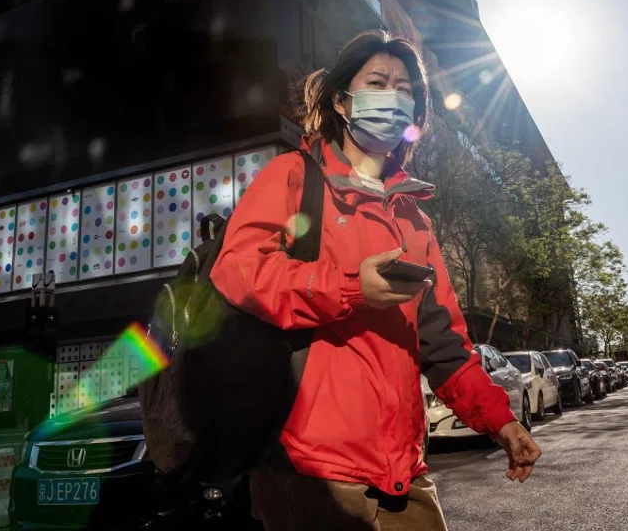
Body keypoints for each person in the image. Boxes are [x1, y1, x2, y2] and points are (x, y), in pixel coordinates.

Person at [211, 30, 541, 529]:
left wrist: (501, 420)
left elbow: (445, 345)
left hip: (404, 471)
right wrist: (348, 288)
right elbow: (238, 270)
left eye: (405, 89)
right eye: (378, 81)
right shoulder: (293, 177)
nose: (393, 96)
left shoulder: (415, 220)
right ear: (343, 101)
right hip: (311, 473)